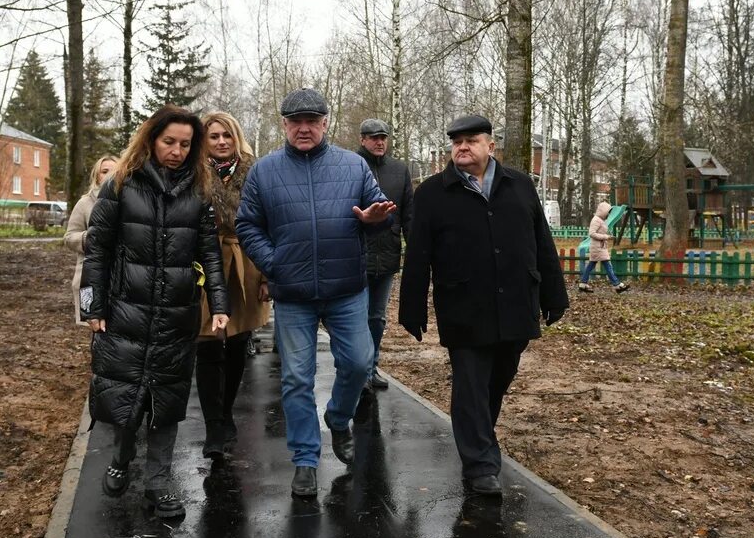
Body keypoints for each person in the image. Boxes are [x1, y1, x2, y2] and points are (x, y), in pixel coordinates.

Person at [235, 88, 396, 498]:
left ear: (326, 123)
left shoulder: (353, 165)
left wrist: (374, 219)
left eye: (312, 121)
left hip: (346, 289)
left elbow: (377, 212)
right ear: (284, 124)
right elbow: (248, 225)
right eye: (295, 121)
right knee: (295, 378)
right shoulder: (265, 171)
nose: (303, 128)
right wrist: (274, 263)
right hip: (293, 294)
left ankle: (338, 419)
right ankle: (305, 458)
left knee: (360, 363)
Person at [398, 115, 568, 497]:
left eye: (471, 140)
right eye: (456, 141)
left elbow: (541, 242)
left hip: (516, 302)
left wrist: (555, 295)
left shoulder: (520, 186)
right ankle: (480, 465)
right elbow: (418, 254)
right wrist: (412, 308)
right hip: (463, 305)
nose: (462, 147)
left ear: (491, 146)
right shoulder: (431, 194)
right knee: (471, 383)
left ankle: (480, 437)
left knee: (499, 378)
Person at [80, 106, 230, 519]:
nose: (177, 151)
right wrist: (92, 306)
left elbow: (209, 253)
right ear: (151, 140)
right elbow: (98, 250)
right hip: (126, 311)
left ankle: (159, 484)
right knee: (128, 395)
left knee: (167, 400)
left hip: (177, 316)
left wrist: (219, 304)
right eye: (169, 142)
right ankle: (121, 457)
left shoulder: (198, 191)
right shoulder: (120, 184)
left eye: (185, 144)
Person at [194, 111, 271, 459]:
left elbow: (273, 222)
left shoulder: (257, 173)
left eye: (227, 135)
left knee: (238, 343)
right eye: (214, 136)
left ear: (236, 136)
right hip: (204, 265)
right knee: (208, 345)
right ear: (204, 140)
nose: (222, 141)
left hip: (248, 262)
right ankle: (213, 426)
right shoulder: (193, 172)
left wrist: (269, 275)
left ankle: (226, 414)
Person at [356, 118, 414, 393]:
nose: (379, 142)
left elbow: (408, 215)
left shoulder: (399, 171)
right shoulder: (351, 165)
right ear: (362, 139)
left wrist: (414, 250)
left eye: (383, 137)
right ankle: (356, 369)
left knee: (377, 318)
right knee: (356, 316)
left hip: (388, 255)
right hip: (357, 254)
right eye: (373, 137)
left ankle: (372, 367)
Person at [63, 155, 118, 324]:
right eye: (105, 171)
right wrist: (90, 238)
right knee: (94, 325)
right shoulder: (85, 203)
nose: (110, 175)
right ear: (97, 176)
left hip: (121, 278)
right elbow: (69, 237)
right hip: (90, 277)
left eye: (115, 171)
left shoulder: (130, 201)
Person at [577, 201, 629, 294]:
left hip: (600, 247)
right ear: (603, 211)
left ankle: (583, 284)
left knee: (591, 265)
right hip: (598, 247)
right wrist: (606, 237)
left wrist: (608, 235)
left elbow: (600, 232)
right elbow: (592, 234)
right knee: (608, 266)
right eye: (608, 212)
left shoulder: (600, 220)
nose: (608, 214)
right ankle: (617, 285)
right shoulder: (596, 220)